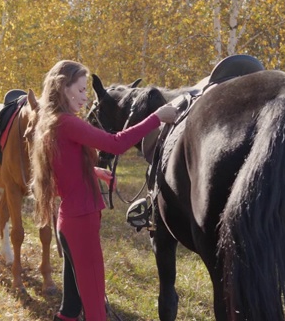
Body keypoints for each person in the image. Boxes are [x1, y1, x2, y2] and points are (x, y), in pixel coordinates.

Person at [31, 60, 177, 321]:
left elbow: (57, 177)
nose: (86, 97)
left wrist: (94, 172)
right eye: (82, 90)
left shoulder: (53, 123)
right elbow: (115, 143)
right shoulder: (68, 123)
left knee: (71, 307)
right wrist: (156, 118)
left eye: (87, 91)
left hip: (69, 222)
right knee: (96, 308)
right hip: (81, 224)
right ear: (64, 88)